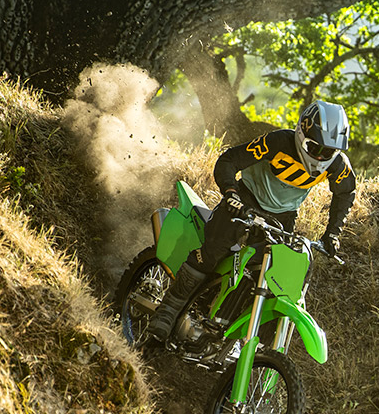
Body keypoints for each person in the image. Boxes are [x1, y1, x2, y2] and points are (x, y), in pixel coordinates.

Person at [148, 99, 357, 342]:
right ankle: (168, 309)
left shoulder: (339, 166)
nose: (321, 157)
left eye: (328, 152)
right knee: (214, 249)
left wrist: (332, 233)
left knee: (274, 275)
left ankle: (237, 332)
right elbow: (228, 160)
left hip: (284, 216)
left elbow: (345, 194)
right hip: (245, 199)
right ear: (301, 133)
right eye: (315, 148)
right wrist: (231, 193)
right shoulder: (278, 142)